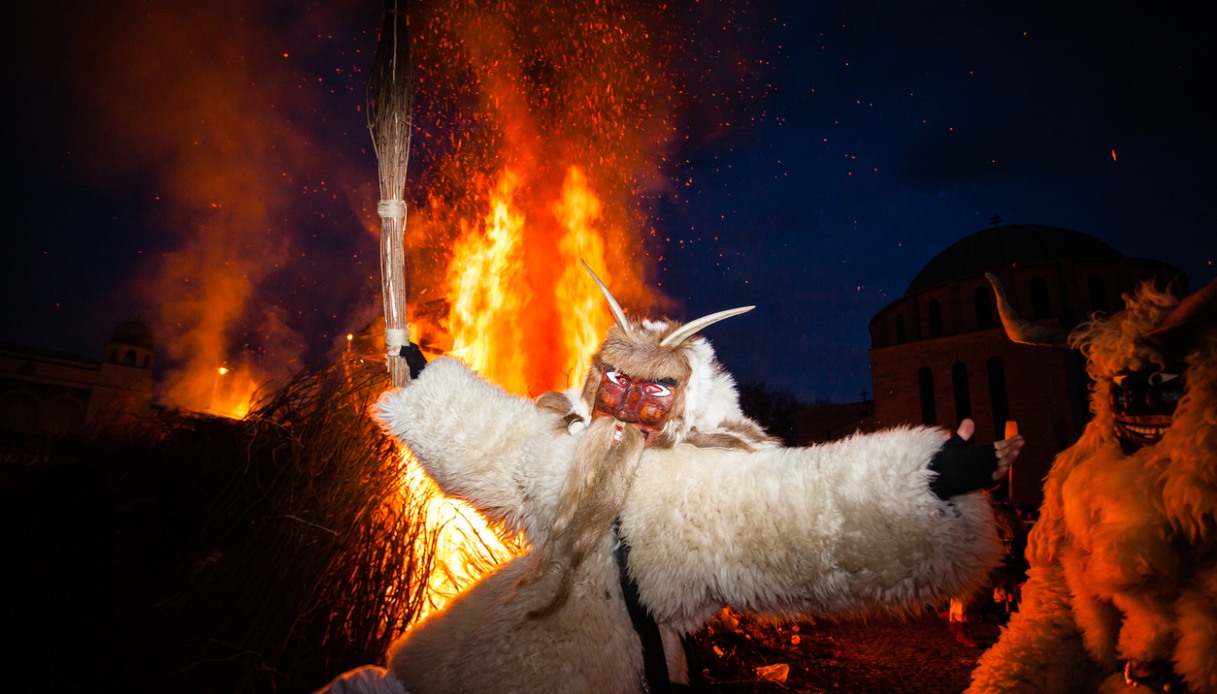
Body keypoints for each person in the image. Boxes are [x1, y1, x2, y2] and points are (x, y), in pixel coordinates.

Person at [318, 263, 1024, 694]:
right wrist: (425, 388)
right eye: (613, 389)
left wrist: (923, 483)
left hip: (589, 674)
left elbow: (802, 515)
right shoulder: (566, 456)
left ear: (683, 407)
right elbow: (499, 444)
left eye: (649, 396)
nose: (625, 409)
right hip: (475, 647)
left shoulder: (700, 491)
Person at [968, 276, 1217, 693]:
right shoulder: (1083, 493)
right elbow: (1055, 623)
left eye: (1159, 383)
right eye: (1121, 387)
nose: (1136, 402)